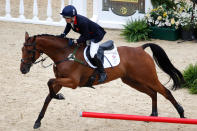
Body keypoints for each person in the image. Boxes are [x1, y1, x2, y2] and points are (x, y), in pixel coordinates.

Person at [59, 5, 107, 83]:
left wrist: (76, 41)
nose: (65, 19)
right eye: (64, 17)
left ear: (72, 17)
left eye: (66, 18)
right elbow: (68, 26)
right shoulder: (71, 20)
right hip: (87, 34)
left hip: (96, 35)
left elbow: (86, 36)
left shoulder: (82, 22)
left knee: (92, 53)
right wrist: (64, 34)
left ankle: (102, 72)